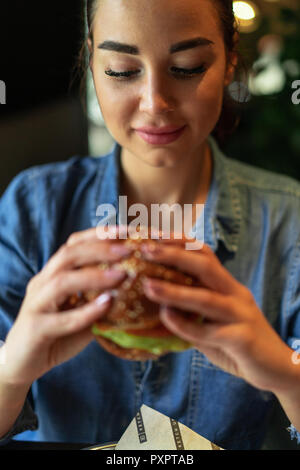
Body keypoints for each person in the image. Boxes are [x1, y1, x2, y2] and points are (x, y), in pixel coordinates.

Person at [0, 0, 300, 450]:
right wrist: (11, 372)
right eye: (122, 70)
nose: (155, 103)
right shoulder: (33, 209)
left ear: (229, 61)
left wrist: (286, 373)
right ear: (92, 63)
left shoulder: (287, 220)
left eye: (187, 67)